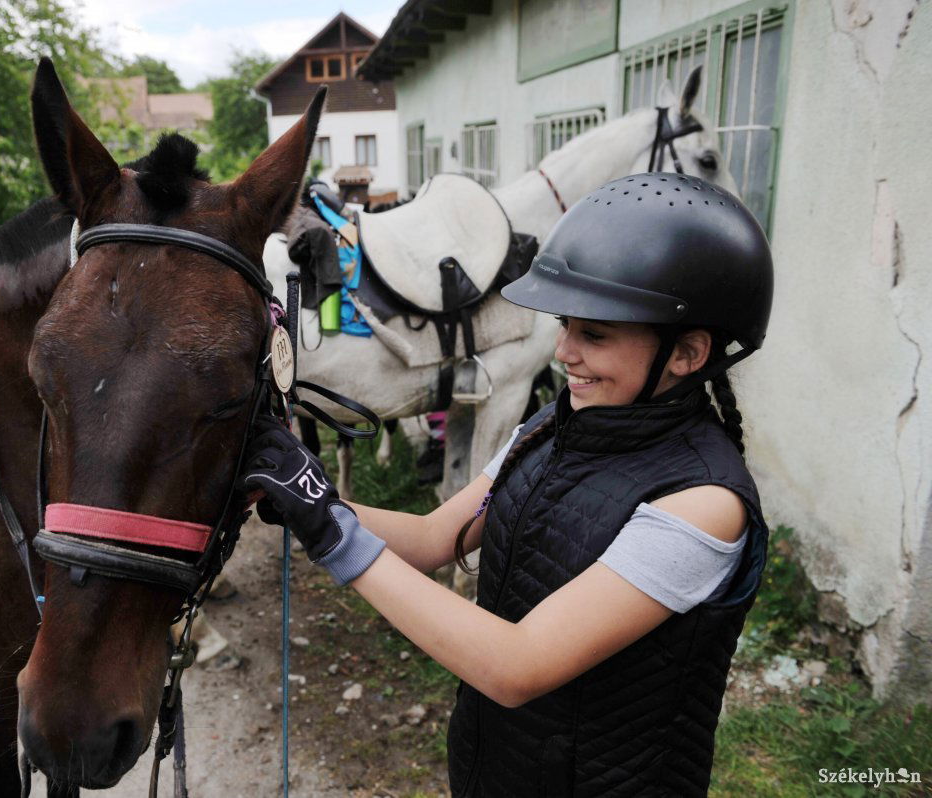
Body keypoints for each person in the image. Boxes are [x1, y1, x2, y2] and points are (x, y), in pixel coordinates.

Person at [242, 172, 773, 797]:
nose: (562, 352)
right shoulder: (556, 425)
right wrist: (301, 499)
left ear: (686, 354)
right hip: (494, 768)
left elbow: (516, 665)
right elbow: (435, 536)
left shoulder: (704, 504)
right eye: (565, 325)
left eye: (593, 334)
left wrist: (332, 533)